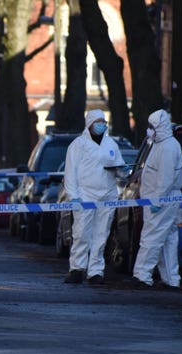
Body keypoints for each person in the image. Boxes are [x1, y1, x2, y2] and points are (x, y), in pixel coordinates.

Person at [63, 109, 125, 285]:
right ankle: (76, 268)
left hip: (107, 195)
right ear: (89, 123)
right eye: (97, 121)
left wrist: (122, 171)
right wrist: (73, 196)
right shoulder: (78, 145)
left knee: (101, 234)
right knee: (81, 233)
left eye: (103, 122)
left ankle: (96, 271)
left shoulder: (111, 144)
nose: (101, 125)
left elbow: (119, 167)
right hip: (85, 195)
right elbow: (70, 172)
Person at [132, 109, 182, 288]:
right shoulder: (160, 144)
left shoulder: (168, 147)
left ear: (160, 127)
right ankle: (171, 279)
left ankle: (142, 274)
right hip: (162, 199)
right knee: (168, 238)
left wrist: (157, 201)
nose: (149, 130)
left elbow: (166, 179)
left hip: (161, 199)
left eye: (151, 127)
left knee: (151, 237)